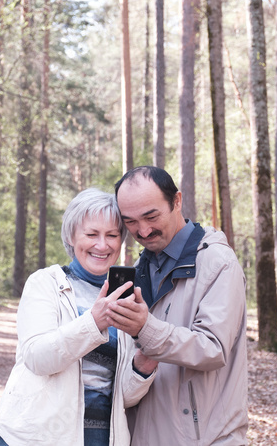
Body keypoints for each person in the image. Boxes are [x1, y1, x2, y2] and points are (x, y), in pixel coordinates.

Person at [0, 188, 157, 446]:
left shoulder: (125, 297)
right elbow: (37, 358)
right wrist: (94, 322)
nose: (102, 245)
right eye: (91, 234)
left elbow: (121, 397)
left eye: (112, 235)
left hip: (99, 437)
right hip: (36, 436)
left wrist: (143, 367)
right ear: (71, 235)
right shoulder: (46, 283)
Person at [106, 166, 248, 445]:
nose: (143, 230)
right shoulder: (137, 270)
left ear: (177, 201)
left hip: (204, 438)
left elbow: (213, 348)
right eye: (130, 222)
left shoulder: (219, 262)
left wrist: (145, 328)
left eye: (151, 216)